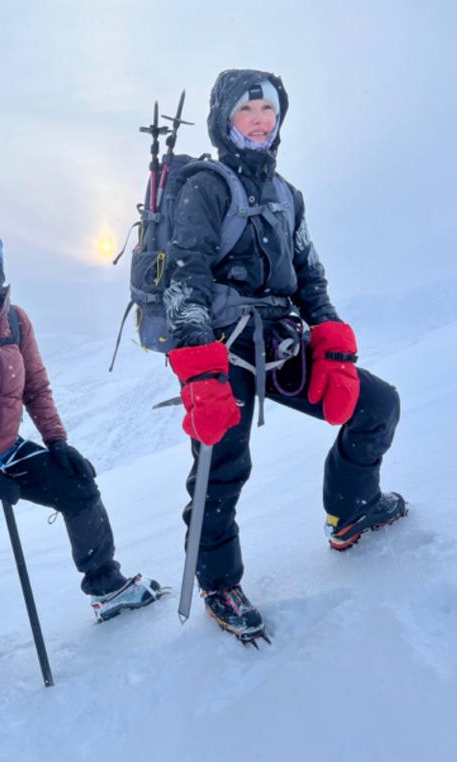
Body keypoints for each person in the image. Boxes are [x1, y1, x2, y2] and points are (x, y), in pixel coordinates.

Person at [163, 69, 406, 644]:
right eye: (247, 111)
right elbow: (184, 282)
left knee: (377, 404)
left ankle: (352, 510)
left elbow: (310, 277)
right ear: (225, 119)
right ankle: (219, 583)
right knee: (222, 464)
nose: (260, 121)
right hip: (222, 348)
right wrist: (201, 372)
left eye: (268, 111)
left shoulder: (287, 195)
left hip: (278, 340)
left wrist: (333, 347)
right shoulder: (205, 188)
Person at [0, 221, 164, 696]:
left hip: (1, 447)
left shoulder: (15, 320)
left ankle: (106, 587)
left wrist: (57, 443)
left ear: (1, 265)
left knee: (78, 490)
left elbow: (35, 387)